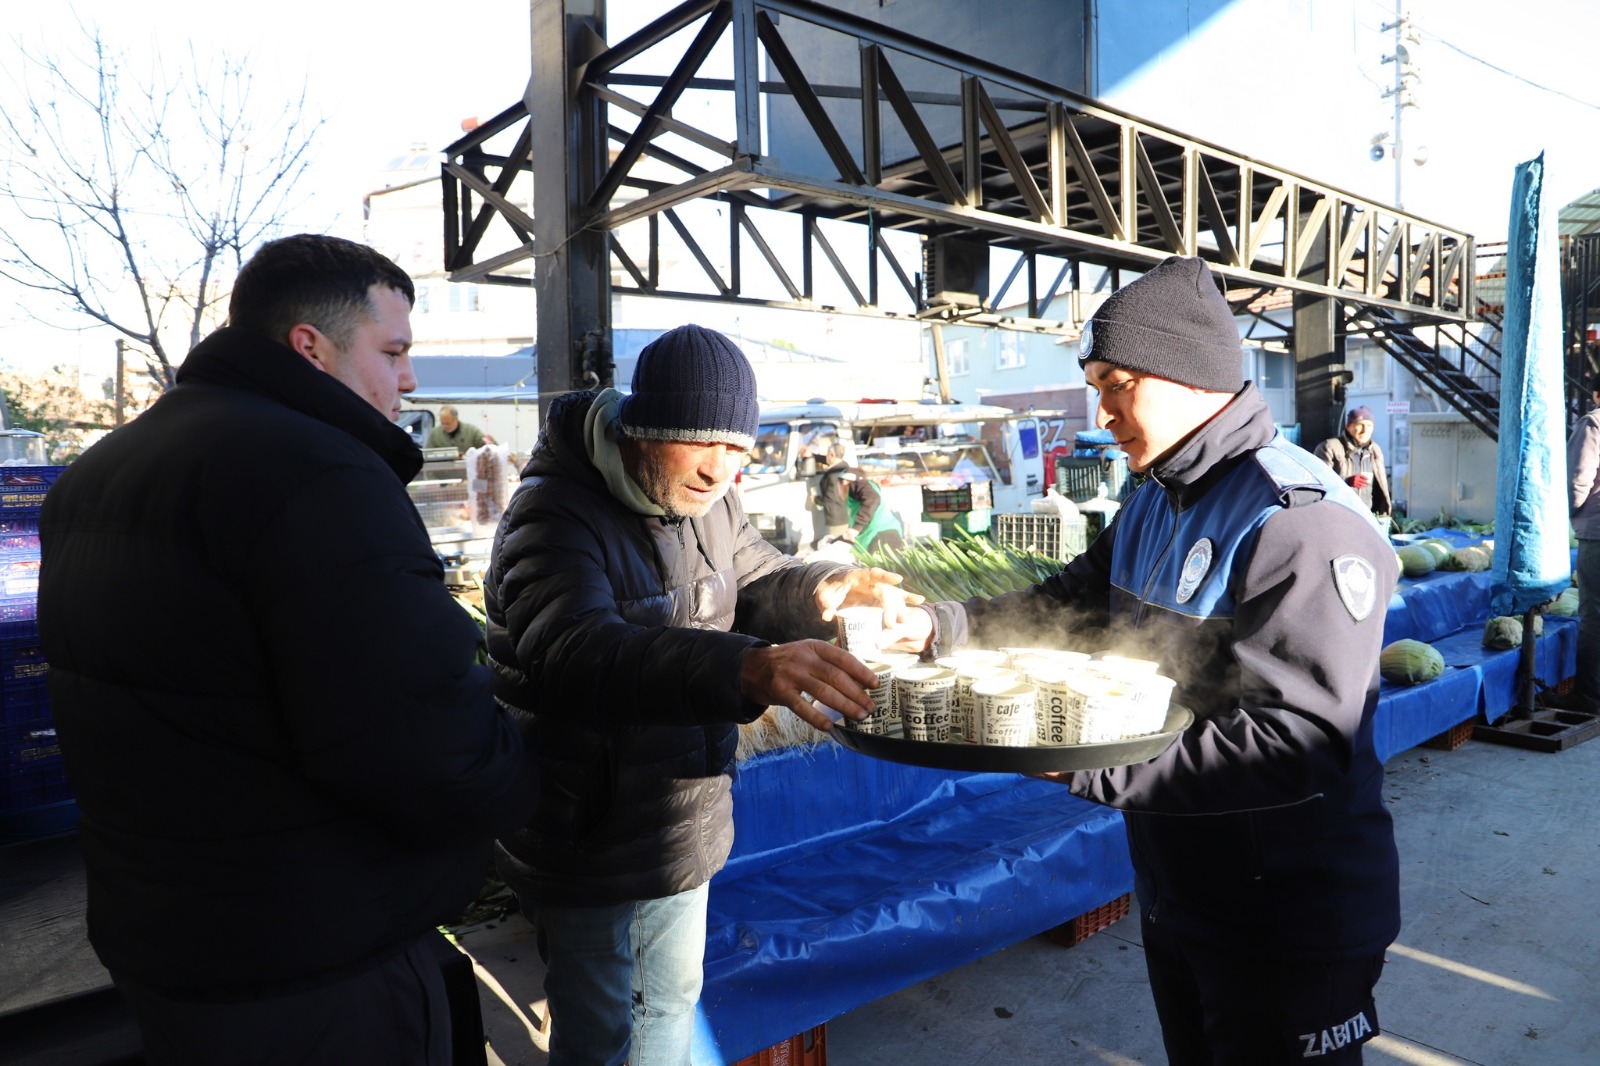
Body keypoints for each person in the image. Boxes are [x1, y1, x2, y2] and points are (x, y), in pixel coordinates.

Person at [38, 234, 538, 1065]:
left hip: (168, 932)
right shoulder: (318, 474)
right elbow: (422, 746)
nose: (408, 380)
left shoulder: (104, 468)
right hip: (316, 956)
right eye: (393, 351)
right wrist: (534, 770)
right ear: (311, 346)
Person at [901, 256, 1401, 1064]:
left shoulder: (1298, 522)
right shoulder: (1157, 497)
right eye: (1096, 385)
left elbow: (1296, 747)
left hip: (1287, 918)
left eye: (1117, 383)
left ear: (1191, 377)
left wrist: (1070, 756)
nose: (1102, 413)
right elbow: (1065, 609)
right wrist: (935, 626)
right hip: (1181, 889)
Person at [483, 323, 919, 1066]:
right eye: (702, 442)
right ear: (643, 429)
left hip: (684, 816)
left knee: (670, 1006)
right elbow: (576, 651)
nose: (722, 469)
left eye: (739, 448)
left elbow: (755, 579)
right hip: (587, 832)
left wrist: (825, 586)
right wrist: (746, 669)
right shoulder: (551, 516)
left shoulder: (711, 502)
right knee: (602, 1031)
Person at [1566, 380, 1600, 712]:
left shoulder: (1593, 423)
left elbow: (1578, 479)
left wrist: (1570, 511)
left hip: (1597, 532)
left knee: (1594, 616)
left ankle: (1590, 699)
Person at [815, 439, 905, 550]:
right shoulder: (857, 487)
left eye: (837, 488)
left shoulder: (855, 484)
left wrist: (856, 528)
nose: (838, 493)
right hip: (877, 537)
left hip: (883, 538)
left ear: (844, 483)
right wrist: (835, 541)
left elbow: (872, 498)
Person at [1313, 405, 1392, 529]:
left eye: (1369, 425)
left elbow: (1380, 487)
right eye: (1360, 425)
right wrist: (1346, 481)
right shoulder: (1329, 447)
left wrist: (1383, 514)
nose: (1364, 430)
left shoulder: (1375, 450)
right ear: (1348, 426)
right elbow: (1317, 483)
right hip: (1338, 518)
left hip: (1368, 518)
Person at [426, 403, 496, 455]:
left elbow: (489, 449)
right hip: (440, 473)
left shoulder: (471, 431)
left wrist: (492, 443)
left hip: (465, 472)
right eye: (442, 423)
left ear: (456, 419)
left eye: (448, 423)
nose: (445, 426)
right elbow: (427, 454)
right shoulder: (435, 434)